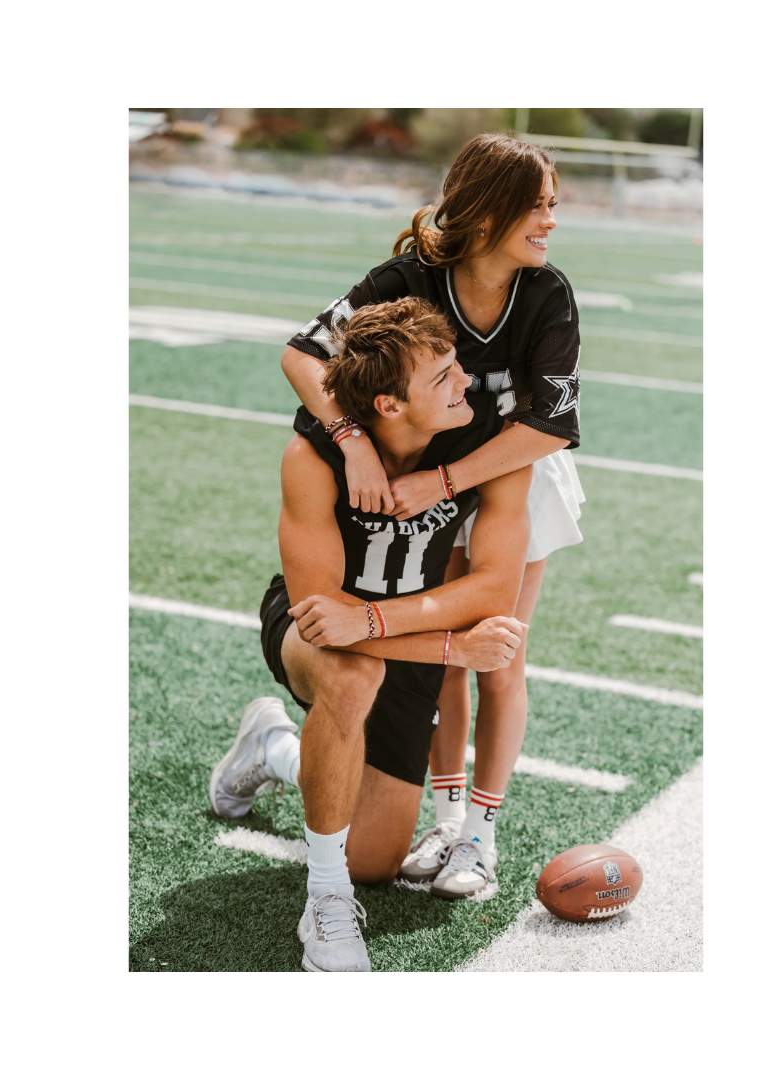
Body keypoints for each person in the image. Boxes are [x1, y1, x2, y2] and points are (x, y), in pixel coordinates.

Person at [279, 134, 584, 896]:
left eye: (553, 203)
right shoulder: (410, 277)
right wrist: (351, 440)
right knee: (442, 643)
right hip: (421, 459)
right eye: (538, 204)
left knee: (498, 651)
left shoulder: (547, 292)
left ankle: (481, 832)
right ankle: (446, 817)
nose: (551, 219)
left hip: (507, 468)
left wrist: (445, 482)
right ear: (488, 213)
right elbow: (303, 354)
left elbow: (549, 425)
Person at [209, 297, 532, 972]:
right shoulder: (312, 456)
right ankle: (324, 903)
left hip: (397, 633)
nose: (465, 382)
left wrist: (381, 621)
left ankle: (274, 748)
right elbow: (324, 619)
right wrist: (451, 649)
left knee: (377, 862)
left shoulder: (486, 445)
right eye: (441, 377)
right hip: (315, 632)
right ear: (388, 405)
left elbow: (493, 588)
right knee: (351, 676)